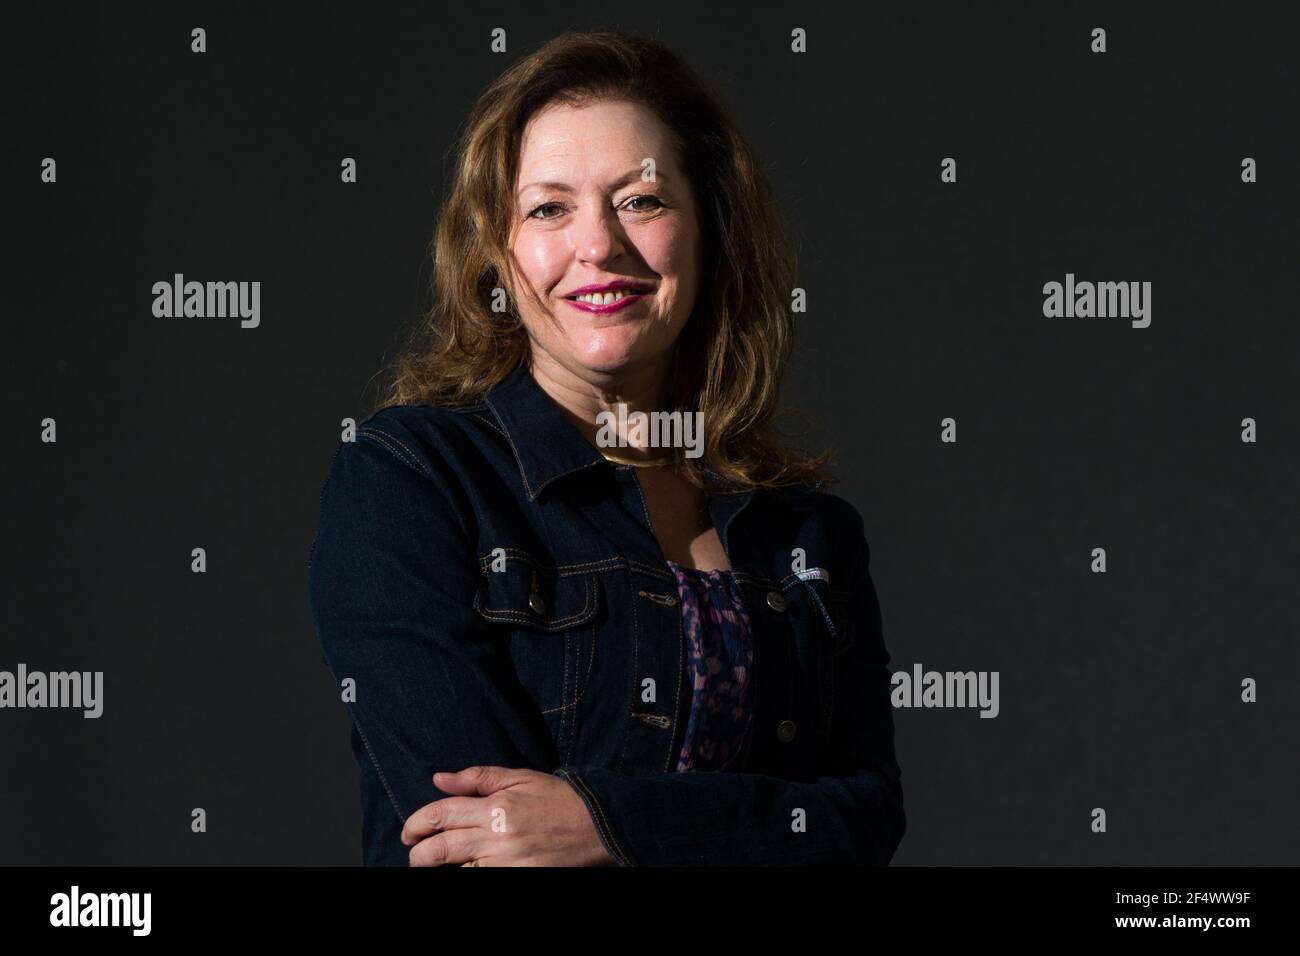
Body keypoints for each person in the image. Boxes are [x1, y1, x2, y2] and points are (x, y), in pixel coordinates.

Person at [307, 29, 905, 866]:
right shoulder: (410, 479)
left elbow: (865, 819)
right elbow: (476, 842)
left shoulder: (808, 533)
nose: (600, 246)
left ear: (710, 233)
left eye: (641, 201)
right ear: (497, 257)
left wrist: (605, 828)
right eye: (549, 208)